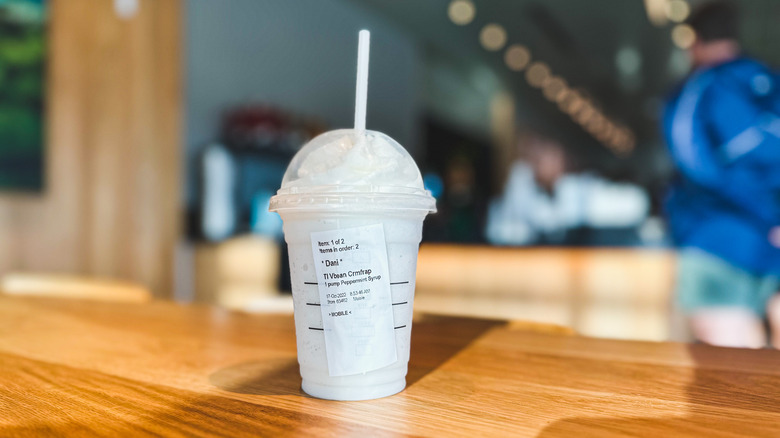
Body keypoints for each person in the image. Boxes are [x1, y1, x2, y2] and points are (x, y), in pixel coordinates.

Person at [663, 1, 780, 348]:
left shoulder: (696, 90)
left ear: (694, 42)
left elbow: (698, 169)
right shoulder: (768, 81)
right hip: (773, 243)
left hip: (719, 242)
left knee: (735, 376)